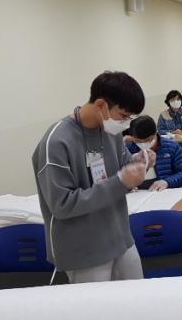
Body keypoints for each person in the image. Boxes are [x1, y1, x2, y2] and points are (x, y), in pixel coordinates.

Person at [32, 71, 155, 284]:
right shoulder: (57, 142)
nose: (126, 124)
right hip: (85, 251)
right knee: (98, 306)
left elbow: (122, 168)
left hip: (120, 239)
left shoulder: (109, 131)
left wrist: (139, 162)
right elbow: (62, 205)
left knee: (137, 299)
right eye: (123, 116)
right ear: (101, 105)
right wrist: (120, 182)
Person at [126, 116, 182, 191]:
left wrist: (167, 182)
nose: (143, 144)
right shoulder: (127, 149)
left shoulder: (171, 147)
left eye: (148, 140)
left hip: (163, 191)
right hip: (136, 192)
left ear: (155, 133)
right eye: (138, 141)